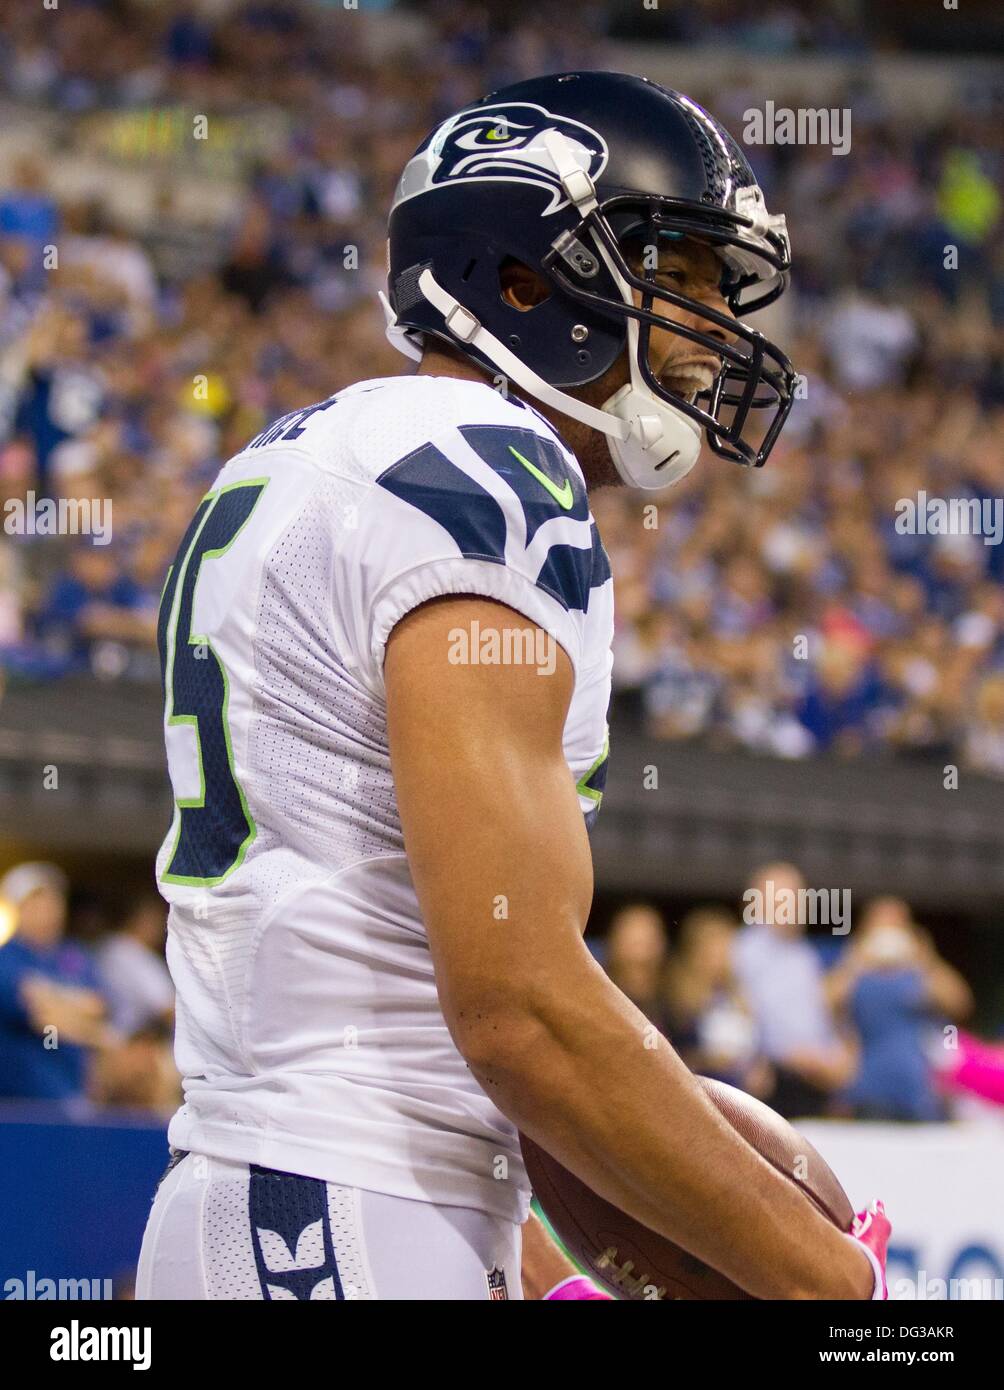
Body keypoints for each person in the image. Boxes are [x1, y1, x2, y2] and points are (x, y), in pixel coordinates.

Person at [138, 72, 888, 1301]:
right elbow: (516, 1007)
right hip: (342, 1215)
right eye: (677, 276)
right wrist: (838, 1293)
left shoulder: (313, 448)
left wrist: (543, 1271)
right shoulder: (489, 467)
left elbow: (430, 1017)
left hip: (292, 1198)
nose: (708, 332)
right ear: (526, 275)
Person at [826, 896, 973, 1121]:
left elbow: (960, 1003)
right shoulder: (857, 972)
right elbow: (825, 1002)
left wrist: (926, 960)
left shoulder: (917, 974)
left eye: (897, 926)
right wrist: (855, 959)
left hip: (920, 1094)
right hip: (869, 1092)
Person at [734, 862, 857, 1118]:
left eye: (799, 895)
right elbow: (742, 1019)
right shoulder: (741, 953)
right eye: (783, 896)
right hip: (770, 1086)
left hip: (815, 1083)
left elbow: (817, 1016)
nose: (796, 904)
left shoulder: (804, 956)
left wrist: (837, 1054)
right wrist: (797, 1056)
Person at [0, 861, 111, 1101]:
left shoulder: (74, 955)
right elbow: (41, 1015)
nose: (47, 909)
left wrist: (53, 1000)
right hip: (19, 1097)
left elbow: (98, 1007)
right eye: (36, 902)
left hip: (75, 1087)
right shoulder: (7, 958)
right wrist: (92, 1030)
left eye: (53, 900)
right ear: (19, 907)